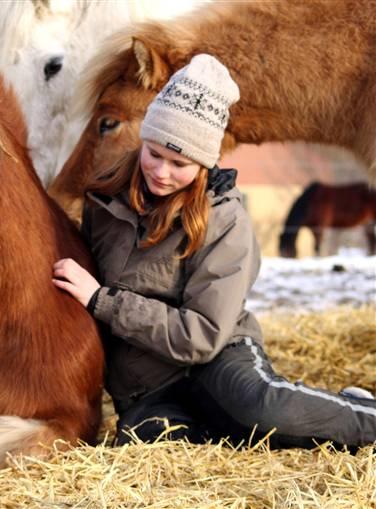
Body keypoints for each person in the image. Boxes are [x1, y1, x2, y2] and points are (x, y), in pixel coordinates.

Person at [52, 54, 376, 450]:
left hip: (217, 360)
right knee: (159, 447)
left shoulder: (226, 220)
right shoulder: (103, 200)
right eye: (154, 153)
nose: (161, 172)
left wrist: (104, 302)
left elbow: (202, 335)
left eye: (179, 163)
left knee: (260, 413)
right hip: (147, 387)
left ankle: (362, 416)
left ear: (204, 164)